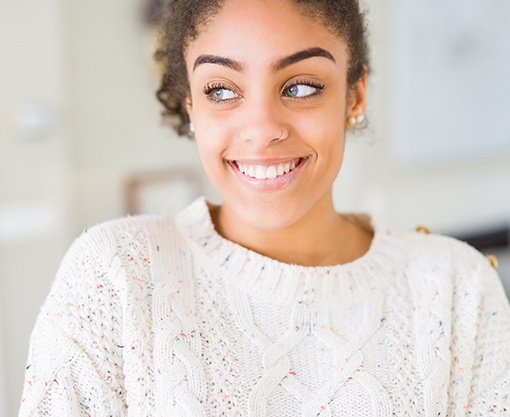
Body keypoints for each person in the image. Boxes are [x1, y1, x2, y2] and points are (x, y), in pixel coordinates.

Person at [19, 0, 510, 415]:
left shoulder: (456, 287)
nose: (261, 129)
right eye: (222, 91)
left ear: (354, 95)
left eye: (300, 87)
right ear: (192, 104)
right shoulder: (115, 276)